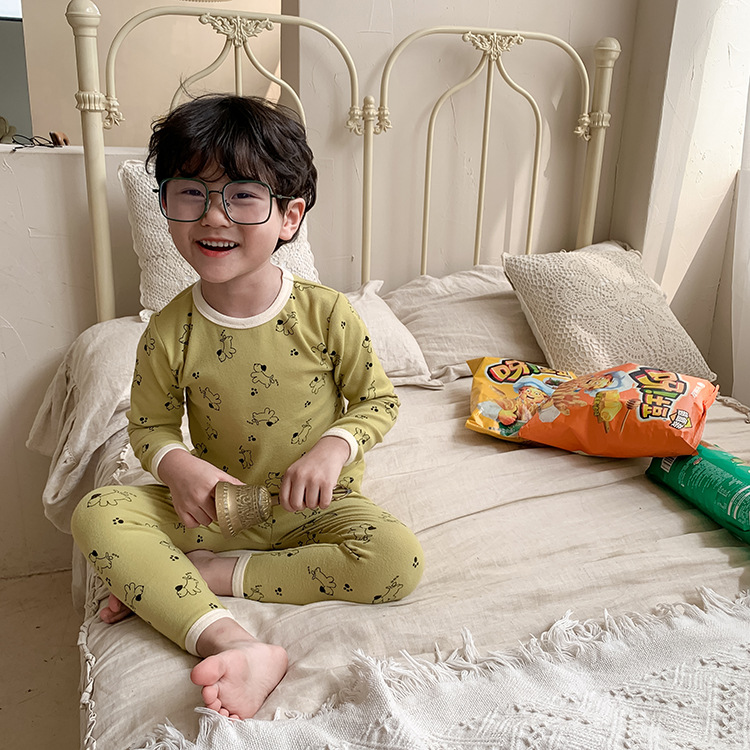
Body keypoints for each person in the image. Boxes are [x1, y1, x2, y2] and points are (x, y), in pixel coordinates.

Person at [71, 94, 423, 720]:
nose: (214, 216)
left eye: (242, 195)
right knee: (99, 514)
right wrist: (178, 465)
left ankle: (204, 574)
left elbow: (377, 399)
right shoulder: (167, 331)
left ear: (289, 216)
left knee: (397, 561)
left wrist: (334, 446)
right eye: (191, 192)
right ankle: (233, 642)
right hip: (223, 507)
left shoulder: (328, 313)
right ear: (166, 204)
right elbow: (149, 427)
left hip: (316, 508)